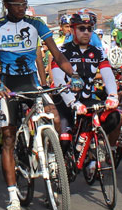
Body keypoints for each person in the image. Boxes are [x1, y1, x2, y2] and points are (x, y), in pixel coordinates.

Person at [0, 0, 83, 210]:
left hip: (31, 83)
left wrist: (73, 74)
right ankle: (12, 196)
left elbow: (58, 54)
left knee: (54, 115)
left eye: (24, 3)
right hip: (8, 84)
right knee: (8, 137)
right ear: (6, 5)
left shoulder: (36, 25)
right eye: (17, 4)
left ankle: (52, 159)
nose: (22, 7)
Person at [52, 12, 121, 178]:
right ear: (73, 30)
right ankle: (57, 176)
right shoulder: (62, 51)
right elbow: (59, 80)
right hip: (65, 100)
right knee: (65, 140)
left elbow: (107, 75)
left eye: (90, 29)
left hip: (88, 99)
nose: (86, 32)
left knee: (114, 117)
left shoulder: (97, 51)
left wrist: (112, 95)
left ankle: (91, 148)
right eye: (81, 28)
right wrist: (73, 103)